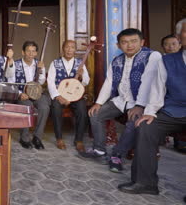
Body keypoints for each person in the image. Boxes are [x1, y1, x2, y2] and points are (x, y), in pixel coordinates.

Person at [118, 19, 186, 195]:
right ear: (180, 37)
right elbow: (158, 88)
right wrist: (149, 112)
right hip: (174, 111)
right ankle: (145, 182)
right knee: (145, 126)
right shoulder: (168, 60)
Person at [79, 29, 162, 173]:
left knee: (134, 122)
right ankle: (99, 149)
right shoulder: (117, 60)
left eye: (133, 41)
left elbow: (148, 82)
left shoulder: (152, 56)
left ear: (142, 42)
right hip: (121, 100)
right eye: (124, 42)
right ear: (118, 45)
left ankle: (117, 155)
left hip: (144, 103)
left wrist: (140, 105)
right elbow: (109, 82)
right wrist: (98, 103)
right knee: (95, 114)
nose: (129, 45)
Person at [47, 40, 89, 151]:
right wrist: (58, 96)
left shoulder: (80, 63)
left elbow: (86, 82)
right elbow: (50, 81)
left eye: (72, 47)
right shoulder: (55, 63)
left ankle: (79, 140)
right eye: (67, 47)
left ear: (75, 50)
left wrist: (82, 76)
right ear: (63, 48)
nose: (69, 50)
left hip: (75, 95)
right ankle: (59, 138)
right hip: (60, 95)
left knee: (82, 109)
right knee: (55, 108)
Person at [9, 41, 51, 150]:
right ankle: (24, 138)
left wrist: (41, 71)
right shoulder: (16, 64)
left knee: (44, 107)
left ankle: (37, 137)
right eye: (28, 51)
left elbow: (41, 82)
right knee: (27, 107)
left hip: (36, 94)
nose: (30, 54)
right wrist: (19, 94)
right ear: (23, 52)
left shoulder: (39, 64)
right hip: (22, 94)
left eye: (33, 51)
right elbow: (11, 82)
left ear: (36, 53)